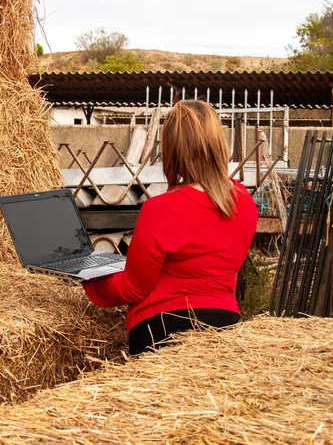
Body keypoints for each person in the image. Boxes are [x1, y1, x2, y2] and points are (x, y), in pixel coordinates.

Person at [82, 100, 258, 355]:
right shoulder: (244, 202)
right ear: (219, 143)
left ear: (172, 149)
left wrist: (90, 279)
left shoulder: (161, 209)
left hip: (163, 328)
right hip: (225, 324)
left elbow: (133, 287)